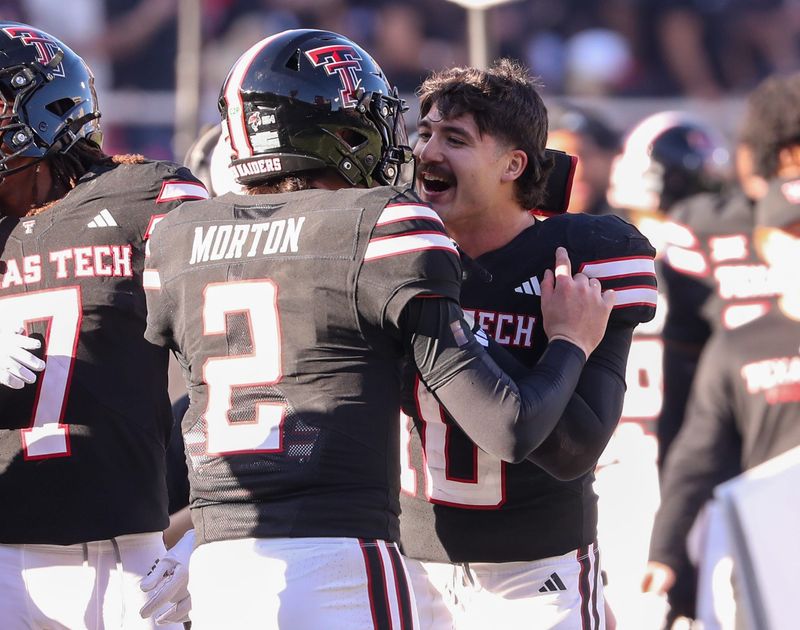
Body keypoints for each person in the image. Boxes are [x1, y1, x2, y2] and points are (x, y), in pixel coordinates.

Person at [139, 29, 615, 630]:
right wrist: (570, 341)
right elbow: (510, 425)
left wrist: (155, 541)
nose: (412, 151)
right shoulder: (380, 226)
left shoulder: (180, 235)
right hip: (345, 557)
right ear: (337, 130)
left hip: (219, 558)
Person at [398, 61, 657, 630]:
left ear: (514, 165)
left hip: (538, 567)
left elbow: (575, 449)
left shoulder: (581, 261)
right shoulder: (396, 250)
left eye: (455, 138)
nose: (427, 152)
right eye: (425, 133)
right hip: (408, 561)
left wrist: (560, 340)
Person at [0, 21, 208, 630]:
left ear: (43, 106)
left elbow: (235, 363)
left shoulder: (145, 196)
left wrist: (214, 533)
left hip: (128, 558)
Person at [644, 71, 800, 627]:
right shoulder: (700, 228)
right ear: (788, 154)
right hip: (729, 414)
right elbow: (682, 364)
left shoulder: (703, 223)